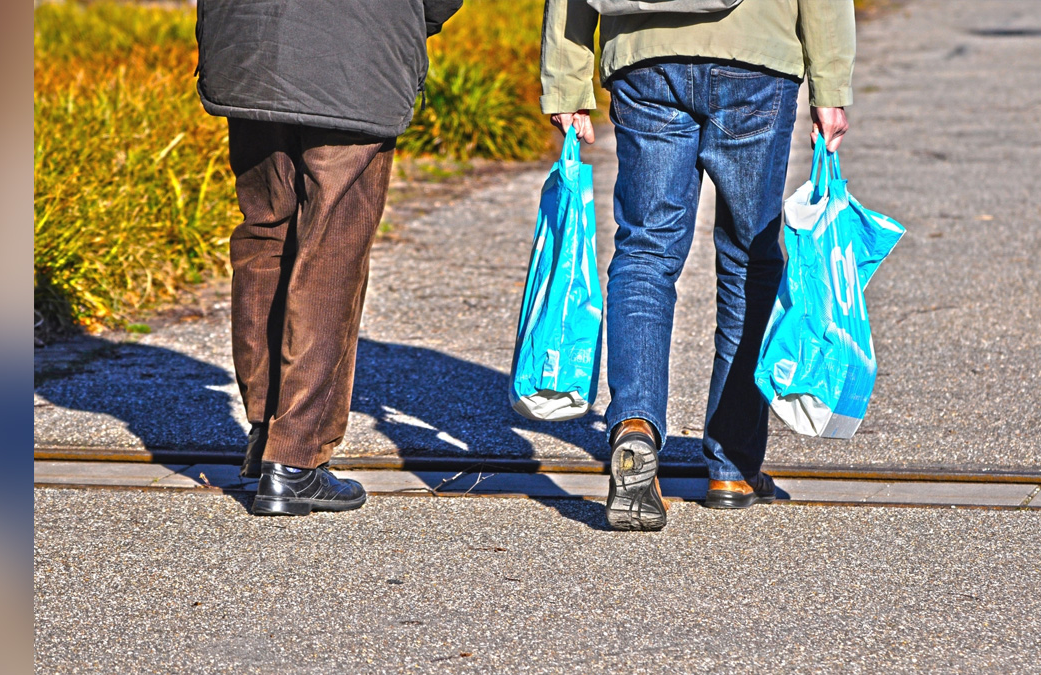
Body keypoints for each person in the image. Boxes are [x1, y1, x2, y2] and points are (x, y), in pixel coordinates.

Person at [540, 0, 855, 530]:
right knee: (749, 260)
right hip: (755, 56)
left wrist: (566, 80)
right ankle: (732, 467)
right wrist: (831, 88)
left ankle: (635, 426)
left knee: (645, 252)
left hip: (644, 54)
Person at [196, 0, 463, 516]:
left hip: (249, 46)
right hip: (354, 53)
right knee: (331, 253)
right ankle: (293, 460)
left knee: (264, 236)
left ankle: (264, 434)